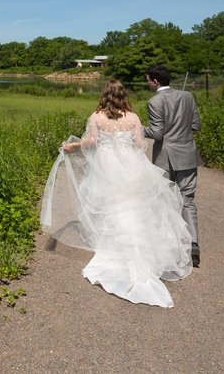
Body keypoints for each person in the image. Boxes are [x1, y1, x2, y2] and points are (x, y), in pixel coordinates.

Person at [40, 80, 192, 308]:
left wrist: (73, 147)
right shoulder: (133, 117)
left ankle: (112, 243)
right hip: (130, 165)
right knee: (131, 205)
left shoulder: (97, 117)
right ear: (123, 95)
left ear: (105, 94)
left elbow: (91, 143)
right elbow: (140, 144)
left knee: (110, 204)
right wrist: (127, 154)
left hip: (105, 164)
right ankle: (136, 248)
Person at [143, 65, 202, 267]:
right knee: (188, 200)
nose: (147, 83)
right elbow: (196, 125)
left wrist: (136, 129)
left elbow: (157, 133)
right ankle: (193, 243)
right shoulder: (188, 96)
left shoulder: (154, 101)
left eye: (148, 80)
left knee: (164, 199)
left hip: (166, 157)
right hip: (187, 153)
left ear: (155, 82)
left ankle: (168, 245)